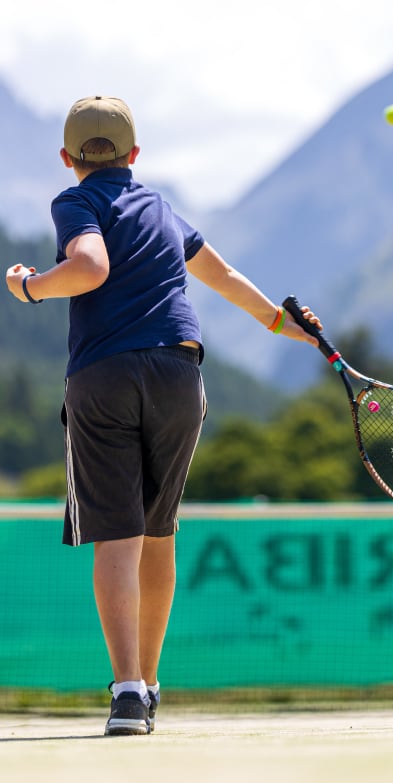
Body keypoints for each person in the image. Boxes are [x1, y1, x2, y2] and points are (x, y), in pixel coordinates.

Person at [5, 96, 322, 737]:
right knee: (159, 531)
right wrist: (281, 324)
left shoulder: (75, 201)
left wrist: (28, 286)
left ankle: (126, 693)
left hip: (104, 377)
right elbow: (223, 276)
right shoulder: (162, 208)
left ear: (67, 158)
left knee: (117, 536)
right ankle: (148, 686)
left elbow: (89, 267)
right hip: (180, 372)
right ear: (135, 154)